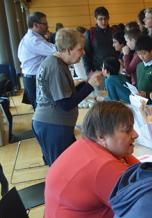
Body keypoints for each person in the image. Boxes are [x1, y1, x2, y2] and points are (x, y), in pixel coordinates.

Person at [32, 101, 139, 218]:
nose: (135, 134)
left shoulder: (88, 145)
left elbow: (138, 171)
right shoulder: (103, 167)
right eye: (127, 130)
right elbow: (150, 206)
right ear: (102, 135)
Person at [33, 28, 102, 166]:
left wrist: (84, 84)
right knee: (62, 168)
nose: (83, 53)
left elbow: (65, 94)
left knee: (70, 165)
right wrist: (89, 86)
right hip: (53, 125)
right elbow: (65, 104)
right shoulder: (56, 67)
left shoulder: (57, 63)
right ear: (68, 50)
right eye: (80, 49)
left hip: (54, 124)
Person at [17, 11, 57, 109]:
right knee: (42, 110)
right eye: (45, 23)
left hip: (33, 77)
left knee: (43, 108)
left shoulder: (34, 37)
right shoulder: (33, 40)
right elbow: (55, 50)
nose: (47, 26)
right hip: (34, 79)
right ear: (35, 25)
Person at [83, 6, 116, 73]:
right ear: (95, 19)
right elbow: (86, 55)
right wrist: (88, 71)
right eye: (100, 19)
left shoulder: (114, 32)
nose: (103, 21)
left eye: (105, 18)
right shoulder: (90, 33)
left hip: (114, 69)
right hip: (98, 70)